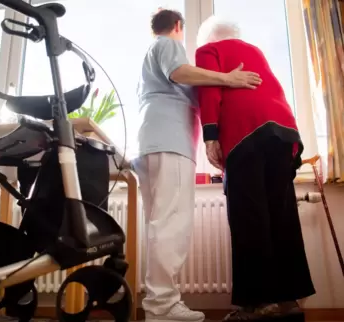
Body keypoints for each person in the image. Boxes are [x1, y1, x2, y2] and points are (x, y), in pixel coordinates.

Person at [133, 9, 262, 322]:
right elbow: (181, 72)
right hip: (169, 142)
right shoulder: (167, 44)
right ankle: (162, 306)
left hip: (152, 142)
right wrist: (227, 78)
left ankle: (157, 304)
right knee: (171, 224)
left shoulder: (150, 59)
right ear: (178, 26)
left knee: (160, 224)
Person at [195, 16, 315, 322]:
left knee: (249, 216)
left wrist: (210, 137)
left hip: (245, 133)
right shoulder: (255, 51)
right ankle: (289, 302)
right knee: (282, 214)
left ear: (207, 37)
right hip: (282, 130)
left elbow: (210, 91)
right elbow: (274, 92)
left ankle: (257, 305)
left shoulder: (209, 51)